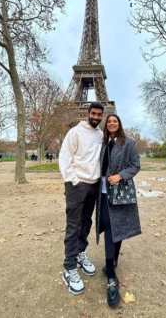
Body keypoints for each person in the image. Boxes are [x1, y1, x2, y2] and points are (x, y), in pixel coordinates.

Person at [96, 114, 141, 308]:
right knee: (109, 230)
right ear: (106, 125)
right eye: (109, 121)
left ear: (119, 124)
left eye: (115, 121)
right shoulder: (102, 144)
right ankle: (112, 278)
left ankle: (112, 262)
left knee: (118, 230)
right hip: (104, 194)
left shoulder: (128, 143)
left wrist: (120, 176)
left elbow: (135, 165)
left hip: (120, 192)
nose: (112, 123)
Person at [59, 102, 104, 295]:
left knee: (86, 222)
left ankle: (80, 253)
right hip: (77, 185)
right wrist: (74, 181)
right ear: (87, 113)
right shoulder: (75, 132)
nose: (96, 117)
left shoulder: (101, 135)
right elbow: (64, 157)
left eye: (99, 114)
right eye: (93, 113)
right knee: (74, 225)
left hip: (94, 185)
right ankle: (69, 267)